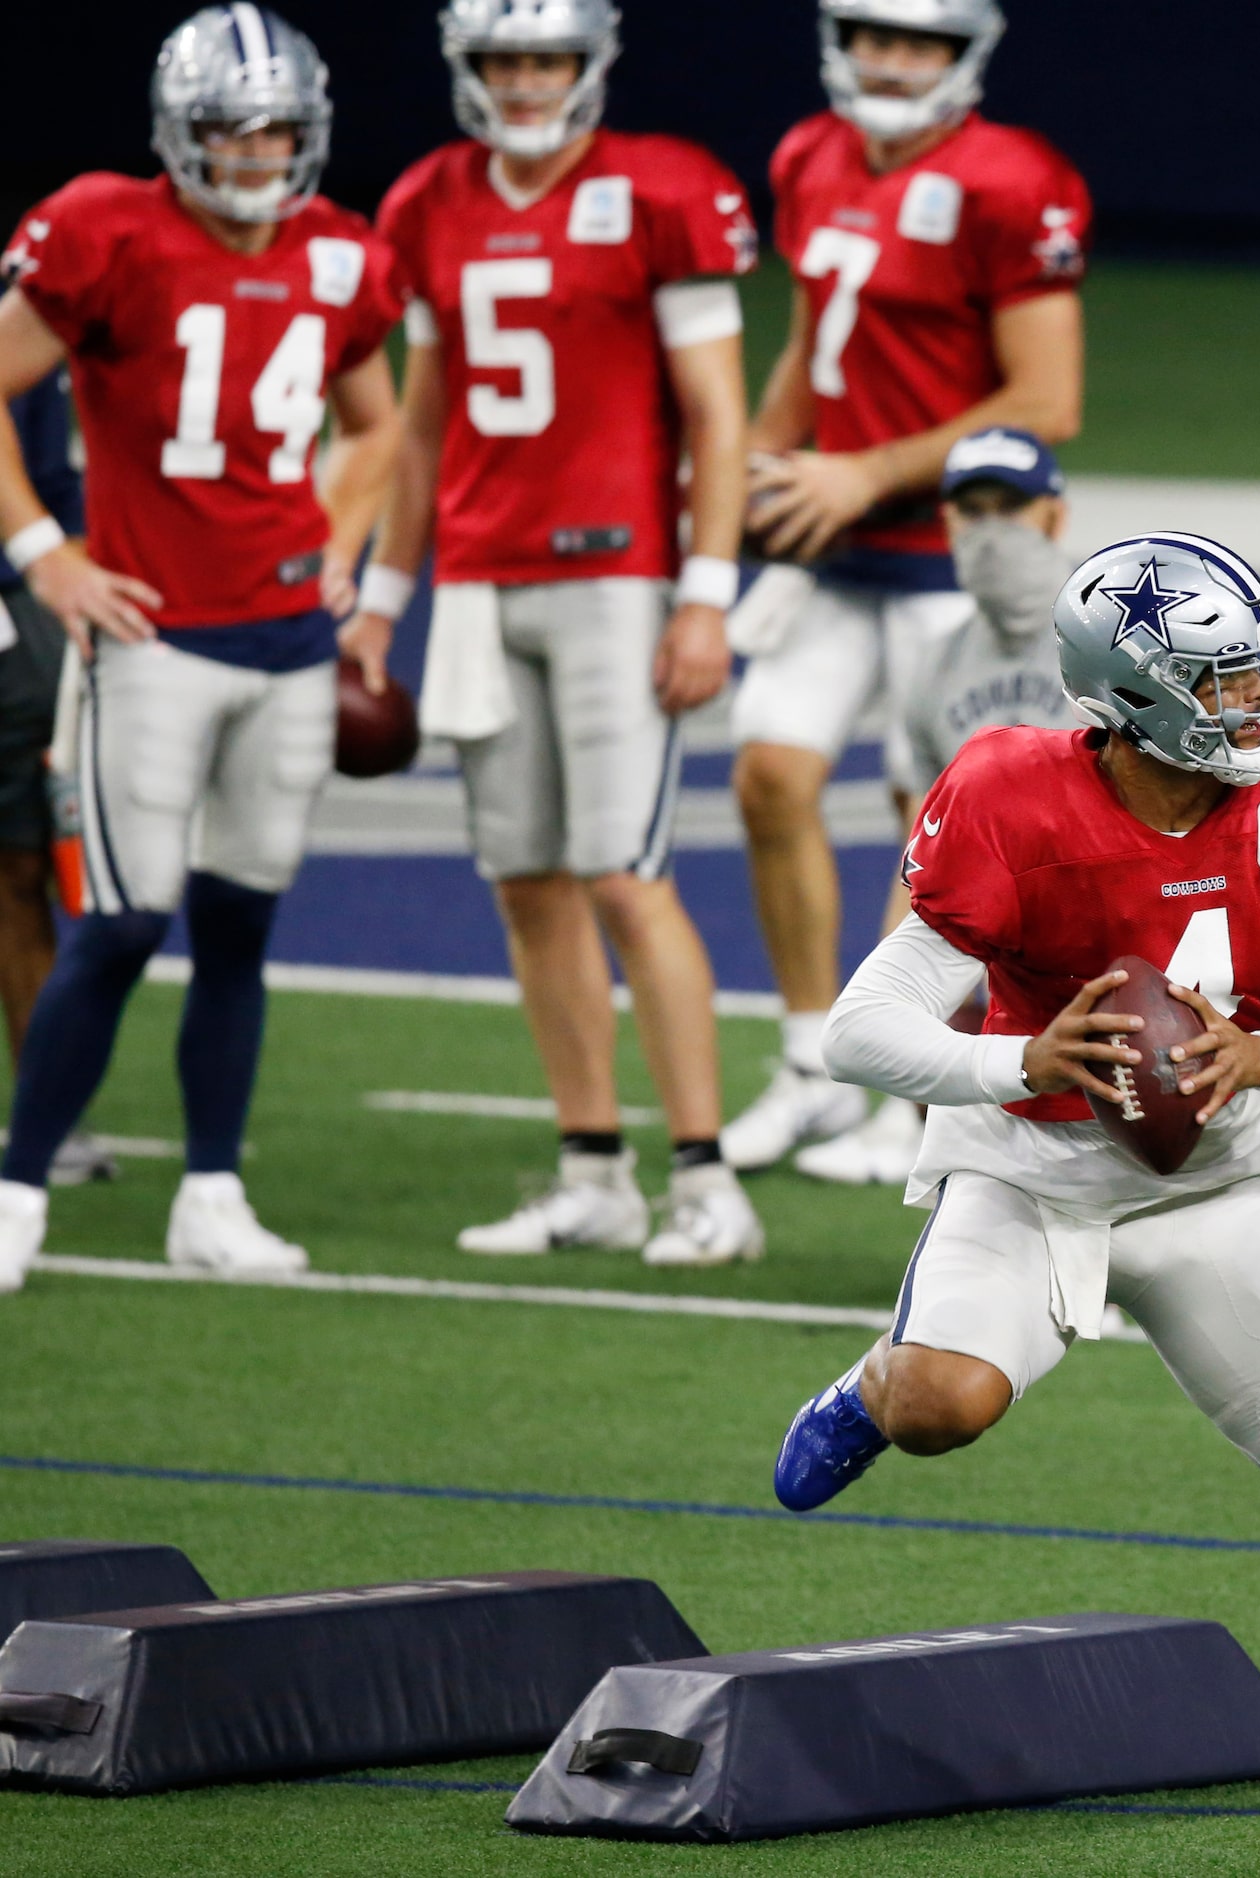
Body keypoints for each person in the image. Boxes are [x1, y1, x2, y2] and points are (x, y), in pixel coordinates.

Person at [775, 533, 1260, 1826]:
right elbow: (860, 1028)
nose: (1259, 706)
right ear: (1130, 694)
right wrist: (1024, 1055)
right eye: (1225, 682)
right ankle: (874, 1381)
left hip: (1209, 1183)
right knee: (943, 1408)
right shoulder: (1012, 790)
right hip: (1027, 1162)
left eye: (1259, 674)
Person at [785, 427, 1260, 1300]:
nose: (992, 529)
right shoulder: (948, 676)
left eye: (1010, 505)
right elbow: (923, 860)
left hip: (1168, 974)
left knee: (1147, 1187)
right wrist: (941, 1007)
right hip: (1041, 955)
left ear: (1055, 510)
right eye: (969, 509)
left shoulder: (1229, 712)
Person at [346, 0, 765, 1266]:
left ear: (589, 66)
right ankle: (594, 1168)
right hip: (479, 581)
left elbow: (716, 416)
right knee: (526, 883)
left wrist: (705, 589)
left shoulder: (660, 189)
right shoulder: (427, 199)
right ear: (467, 68)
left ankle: (707, 1183)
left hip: (617, 575)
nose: (525, 82)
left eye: (547, 58)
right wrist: (381, 594)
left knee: (628, 880)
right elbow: (420, 429)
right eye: (503, 59)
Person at [0, 6, 402, 1290]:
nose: (253, 152)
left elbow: (377, 423)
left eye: (276, 127)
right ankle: (15, 1195)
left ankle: (211, 1194)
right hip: (151, 633)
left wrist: (337, 538)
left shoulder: (342, 255)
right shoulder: (104, 230)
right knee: (119, 925)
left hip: (285, 643)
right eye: (229, 129)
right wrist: (40, 551)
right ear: (182, 132)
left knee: (239, 926)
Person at [718, 0, 1088, 1178]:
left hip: (953, 564)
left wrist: (867, 471)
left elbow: (1047, 398)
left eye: (918, 43)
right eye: (875, 35)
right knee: (770, 775)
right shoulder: (808, 156)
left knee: (942, 832)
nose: (891, 61)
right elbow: (808, 347)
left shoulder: (1011, 181)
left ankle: (913, 1091)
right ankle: (804, 1064)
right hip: (835, 547)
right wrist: (751, 484)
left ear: (962, 55)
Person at [0, 368, 118, 1187]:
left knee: (20, 862)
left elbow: (51, 479)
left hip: (13, 606)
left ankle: (44, 1111)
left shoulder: (22, 307)